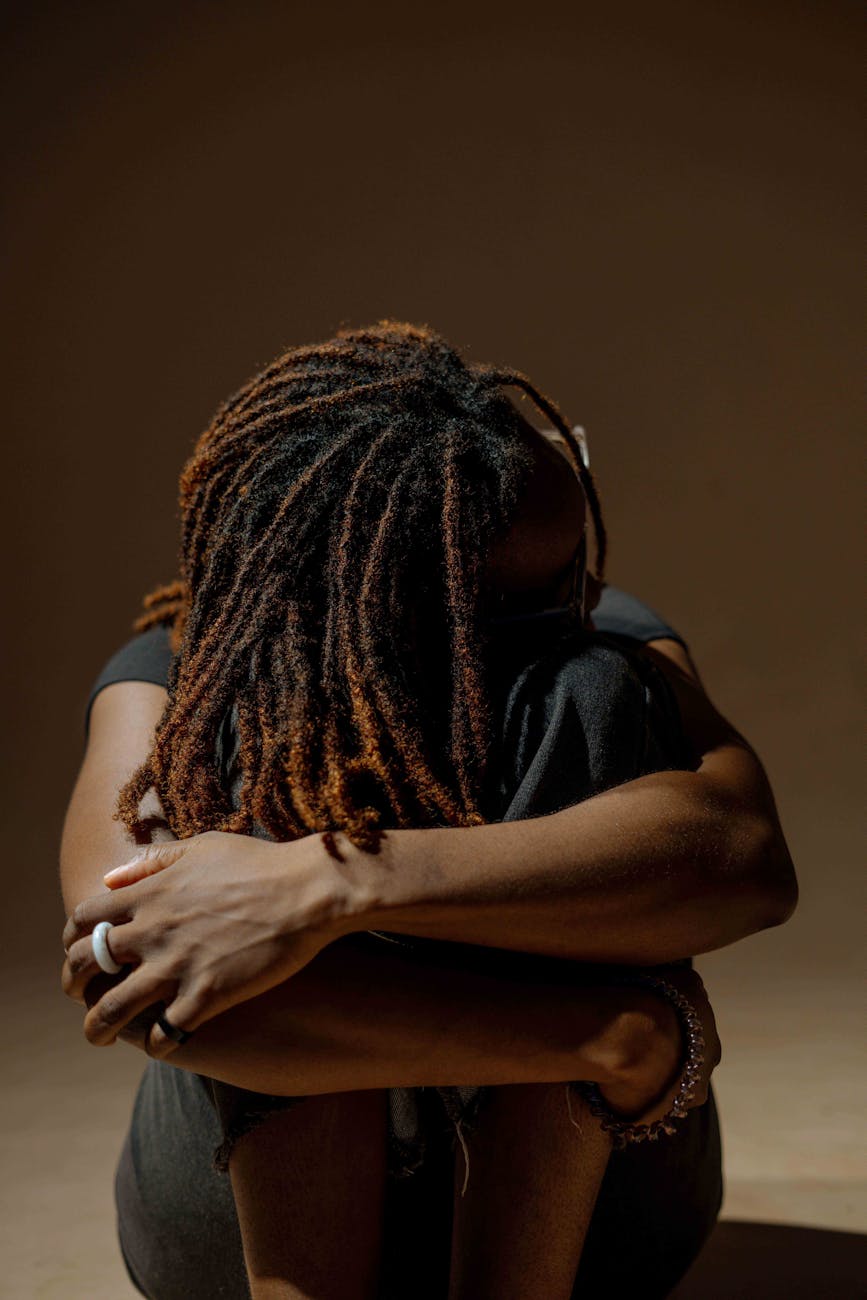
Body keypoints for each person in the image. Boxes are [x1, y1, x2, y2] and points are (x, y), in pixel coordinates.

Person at [60, 321, 797, 1299]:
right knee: (282, 728)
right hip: (224, 1239)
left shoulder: (604, 646)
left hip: (594, 1238)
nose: (589, 602)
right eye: (536, 607)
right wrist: (596, 1037)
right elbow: (139, 973)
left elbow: (742, 853)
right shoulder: (176, 677)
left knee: (595, 694)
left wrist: (331, 881)